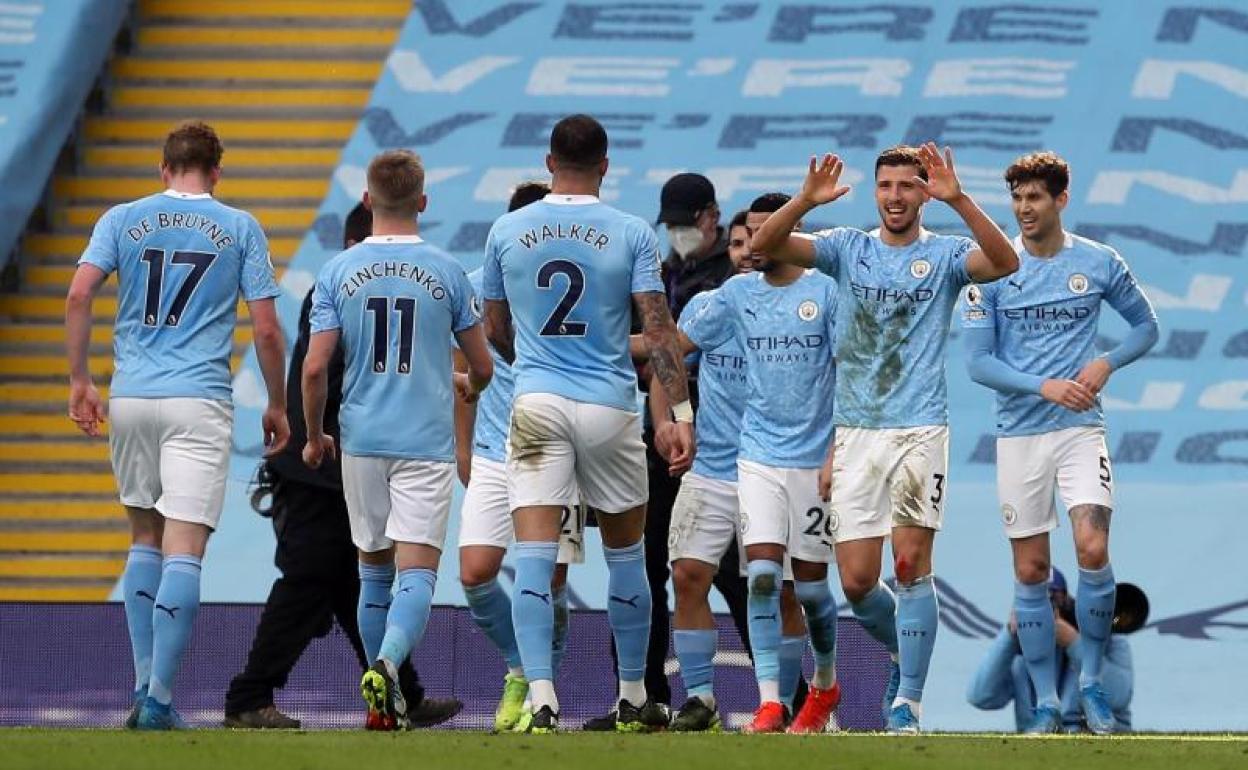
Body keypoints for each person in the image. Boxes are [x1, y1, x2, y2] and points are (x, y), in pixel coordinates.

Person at [750, 144, 1019, 733]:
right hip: (857, 433)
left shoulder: (946, 255)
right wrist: (803, 201)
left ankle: (908, 704)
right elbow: (762, 248)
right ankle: (902, 648)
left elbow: (1005, 263)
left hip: (920, 427)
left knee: (910, 563)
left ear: (924, 192)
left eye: (907, 185)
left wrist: (961, 199)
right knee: (857, 580)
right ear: (875, 192)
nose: (896, 196)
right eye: (886, 186)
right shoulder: (850, 248)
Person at [65, 121, 290, 730]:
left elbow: (80, 295)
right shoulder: (239, 227)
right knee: (184, 548)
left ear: (164, 168)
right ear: (216, 171)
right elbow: (267, 330)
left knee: (143, 536)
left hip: (133, 396)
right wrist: (277, 402)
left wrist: (80, 379)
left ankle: (143, 691)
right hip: (198, 399)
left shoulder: (121, 219)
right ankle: (161, 699)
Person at [481, 113, 694, 733]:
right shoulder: (630, 232)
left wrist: (536, 365)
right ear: (605, 165)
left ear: (549, 164)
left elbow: (495, 327)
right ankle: (632, 694)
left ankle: (542, 697)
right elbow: (657, 331)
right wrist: (679, 413)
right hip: (609, 405)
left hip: (539, 402)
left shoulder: (508, 230)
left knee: (535, 553)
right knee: (628, 555)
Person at [223, 202, 462, 730]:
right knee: (311, 580)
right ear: (359, 245)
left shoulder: (338, 290)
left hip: (330, 462)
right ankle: (248, 696)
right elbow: (322, 373)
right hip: (322, 464)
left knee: (350, 583)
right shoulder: (340, 290)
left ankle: (399, 691)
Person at [960, 151, 1157, 734]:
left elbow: (1146, 327)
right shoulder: (991, 267)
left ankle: (1092, 682)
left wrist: (1107, 361)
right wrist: (1042, 386)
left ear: (1060, 200)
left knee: (1092, 551)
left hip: (1078, 431)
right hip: (1020, 434)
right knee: (1032, 571)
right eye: (1017, 198)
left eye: (1035, 197)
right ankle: (1046, 700)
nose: (1023, 208)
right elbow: (977, 363)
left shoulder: (1097, 262)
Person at [302, 149, 493, 729]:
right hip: (424, 440)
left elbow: (314, 369)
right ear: (424, 202)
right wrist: (468, 383)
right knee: (417, 575)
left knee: (374, 572)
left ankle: (378, 709)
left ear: (367, 199)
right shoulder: (447, 272)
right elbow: (482, 364)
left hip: (361, 438)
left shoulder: (337, 272)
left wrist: (315, 436)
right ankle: (386, 664)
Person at [584, 175, 752, 732]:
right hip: (662, 434)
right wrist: (662, 415)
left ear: (712, 216)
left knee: (734, 571)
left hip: (726, 435)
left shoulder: (734, 275)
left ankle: (786, 693)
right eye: (672, 225)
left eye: (686, 223)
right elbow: (659, 355)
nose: (678, 235)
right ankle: (641, 697)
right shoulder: (664, 274)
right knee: (644, 559)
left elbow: (670, 350)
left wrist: (604, 347)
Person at [680, 194, 842, 734]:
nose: (754, 244)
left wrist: (838, 449)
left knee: (812, 591)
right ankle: (771, 703)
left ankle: (824, 680)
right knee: (764, 578)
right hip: (758, 459)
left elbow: (854, 373)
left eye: (764, 232)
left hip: (813, 462)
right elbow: (673, 347)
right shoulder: (735, 294)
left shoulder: (826, 292)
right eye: (747, 232)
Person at [456, 180, 586, 732]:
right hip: (490, 451)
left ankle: (542, 692)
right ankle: (519, 669)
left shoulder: (574, 290)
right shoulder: (471, 288)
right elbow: (461, 373)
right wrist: (462, 449)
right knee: (475, 575)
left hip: (554, 449)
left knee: (551, 579)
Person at [966, 569, 1135, 732]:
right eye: (1034, 604)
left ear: (1067, 600)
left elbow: (1119, 696)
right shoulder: (1018, 647)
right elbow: (980, 697)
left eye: (1052, 599)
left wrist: (1073, 643)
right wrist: (1010, 635)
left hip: (1095, 742)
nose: (1044, 612)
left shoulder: (1109, 638)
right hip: (1038, 745)